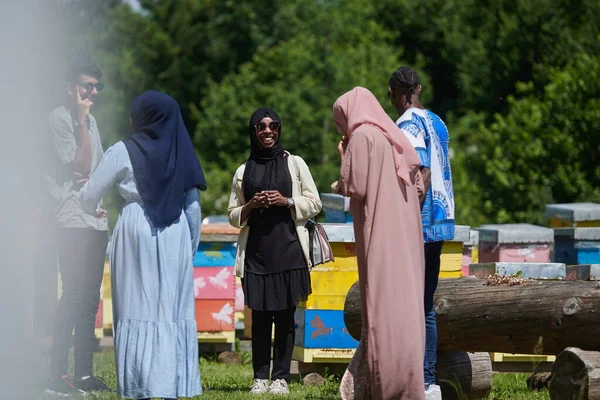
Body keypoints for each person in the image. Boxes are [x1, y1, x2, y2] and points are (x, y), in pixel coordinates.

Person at [79, 90, 206, 400]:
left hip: (135, 229)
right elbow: (193, 208)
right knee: (170, 309)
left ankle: (140, 385)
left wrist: (92, 207)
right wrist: (187, 251)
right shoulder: (182, 154)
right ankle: (172, 384)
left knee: (137, 304)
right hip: (175, 230)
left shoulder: (122, 150)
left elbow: (88, 196)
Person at [334, 87, 426, 400]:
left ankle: (383, 383)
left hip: (378, 233)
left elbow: (354, 185)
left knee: (381, 306)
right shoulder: (392, 136)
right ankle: (409, 383)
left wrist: (343, 155)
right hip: (404, 236)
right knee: (404, 305)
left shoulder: (362, 136)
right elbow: (418, 185)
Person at [228, 107, 322, 395]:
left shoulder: (294, 163)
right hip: (256, 254)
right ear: (253, 131)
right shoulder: (244, 170)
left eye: (273, 126)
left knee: (284, 317)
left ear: (279, 130)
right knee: (259, 318)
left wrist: (287, 201)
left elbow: (314, 202)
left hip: (290, 251)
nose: (267, 131)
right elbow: (233, 214)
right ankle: (259, 377)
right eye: (261, 126)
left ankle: (281, 377)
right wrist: (252, 205)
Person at [45, 58, 111, 396]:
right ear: (71, 86)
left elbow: (93, 172)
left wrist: (95, 192)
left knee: (90, 300)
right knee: (72, 296)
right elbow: (82, 163)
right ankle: (56, 376)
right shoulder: (58, 120)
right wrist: (82, 123)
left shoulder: (93, 120)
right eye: (88, 85)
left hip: (95, 220)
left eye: (97, 86)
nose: (94, 92)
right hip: (70, 220)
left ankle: (84, 375)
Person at [389, 66, 455, 400]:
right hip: (441, 220)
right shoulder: (437, 121)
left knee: (416, 306)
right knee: (424, 304)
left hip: (421, 224)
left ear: (397, 94)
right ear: (419, 89)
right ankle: (426, 381)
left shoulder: (408, 124)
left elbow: (423, 170)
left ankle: (423, 381)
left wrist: (407, 215)